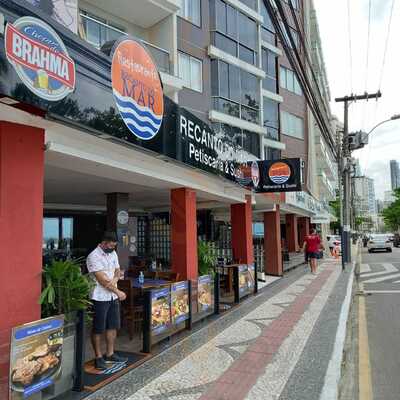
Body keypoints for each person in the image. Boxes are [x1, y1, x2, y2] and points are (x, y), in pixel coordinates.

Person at [87, 231, 127, 370]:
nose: (112, 248)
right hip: (99, 297)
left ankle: (110, 353)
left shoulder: (113, 253)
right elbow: (102, 280)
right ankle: (98, 357)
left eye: (114, 246)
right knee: (98, 328)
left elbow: (118, 271)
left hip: (112, 296)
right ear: (104, 242)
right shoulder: (93, 256)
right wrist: (117, 290)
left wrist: (114, 282)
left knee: (112, 326)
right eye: (110, 245)